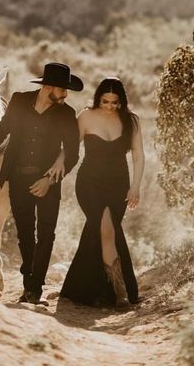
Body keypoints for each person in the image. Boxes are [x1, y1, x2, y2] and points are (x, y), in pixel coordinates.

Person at [0, 62, 83, 305]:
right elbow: (2, 131)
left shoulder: (67, 114)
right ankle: (29, 283)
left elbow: (72, 153)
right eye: (62, 90)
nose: (65, 95)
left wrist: (49, 180)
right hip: (17, 178)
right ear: (47, 87)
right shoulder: (18, 101)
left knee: (46, 234)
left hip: (48, 182)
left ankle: (34, 289)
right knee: (25, 234)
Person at [59, 77, 144, 308]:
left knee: (103, 231)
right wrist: (58, 163)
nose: (109, 106)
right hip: (89, 183)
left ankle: (83, 288)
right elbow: (71, 147)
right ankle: (120, 291)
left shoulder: (132, 121)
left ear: (121, 101)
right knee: (106, 228)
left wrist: (135, 186)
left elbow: (138, 156)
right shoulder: (85, 116)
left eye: (115, 102)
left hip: (119, 185)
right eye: (105, 101)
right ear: (98, 98)